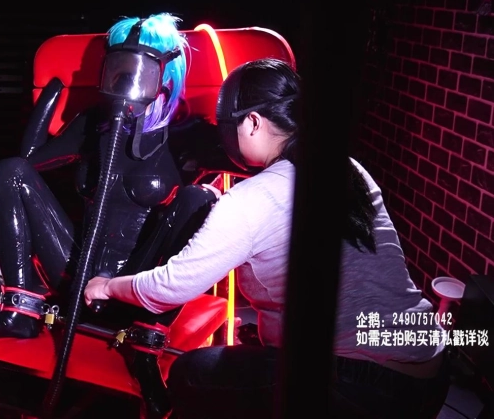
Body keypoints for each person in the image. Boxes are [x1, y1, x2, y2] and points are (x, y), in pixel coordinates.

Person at [84, 58, 451, 418]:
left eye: (229, 126)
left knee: (190, 374)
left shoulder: (251, 200)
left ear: (254, 122)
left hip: (359, 386)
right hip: (430, 367)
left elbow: (171, 287)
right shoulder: (347, 167)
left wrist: (108, 286)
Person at [0, 13, 226, 418]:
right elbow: (27, 163)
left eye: (138, 69)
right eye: (118, 67)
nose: (126, 79)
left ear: (166, 77)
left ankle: (146, 347)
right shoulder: (93, 125)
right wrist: (50, 96)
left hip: (140, 286)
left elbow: (257, 162)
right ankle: (20, 311)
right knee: (9, 171)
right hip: (75, 272)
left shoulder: (189, 136)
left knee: (197, 199)